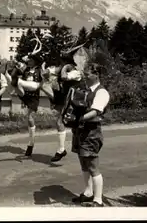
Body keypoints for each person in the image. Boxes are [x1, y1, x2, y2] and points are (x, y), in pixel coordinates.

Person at [62, 62, 110, 207]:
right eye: (85, 73)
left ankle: (98, 199)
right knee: (84, 164)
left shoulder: (101, 92)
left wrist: (78, 119)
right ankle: (88, 193)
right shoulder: (85, 90)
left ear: (97, 75)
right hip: (81, 131)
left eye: (88, 74)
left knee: (93, 165)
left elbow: (96, 111)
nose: (85, 76)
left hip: (92, 132)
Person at [4, 36, 49, 157]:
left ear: (35, 61)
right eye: (28, 60)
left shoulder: (40, 69)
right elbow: (19, 66)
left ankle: (31, 143)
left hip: (34, 90)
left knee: (17, 82)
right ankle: (31, 143)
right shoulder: (26, 69)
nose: (29, 61)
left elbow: (44, 80)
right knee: (29, 119)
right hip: (25, 93)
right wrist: (16, 64)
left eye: (30, 60)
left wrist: (45, 72)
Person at [48, 44, 86, 163]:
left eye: (63, 62)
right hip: (67, 100)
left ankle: (67, 149)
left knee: (74, 125)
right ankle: (62, 149)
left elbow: (64, 77)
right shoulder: (65, 68)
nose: (61, 64)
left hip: (76, 101)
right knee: (63, 123)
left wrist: (64, 67)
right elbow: (47, 72)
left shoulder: (75, 72)